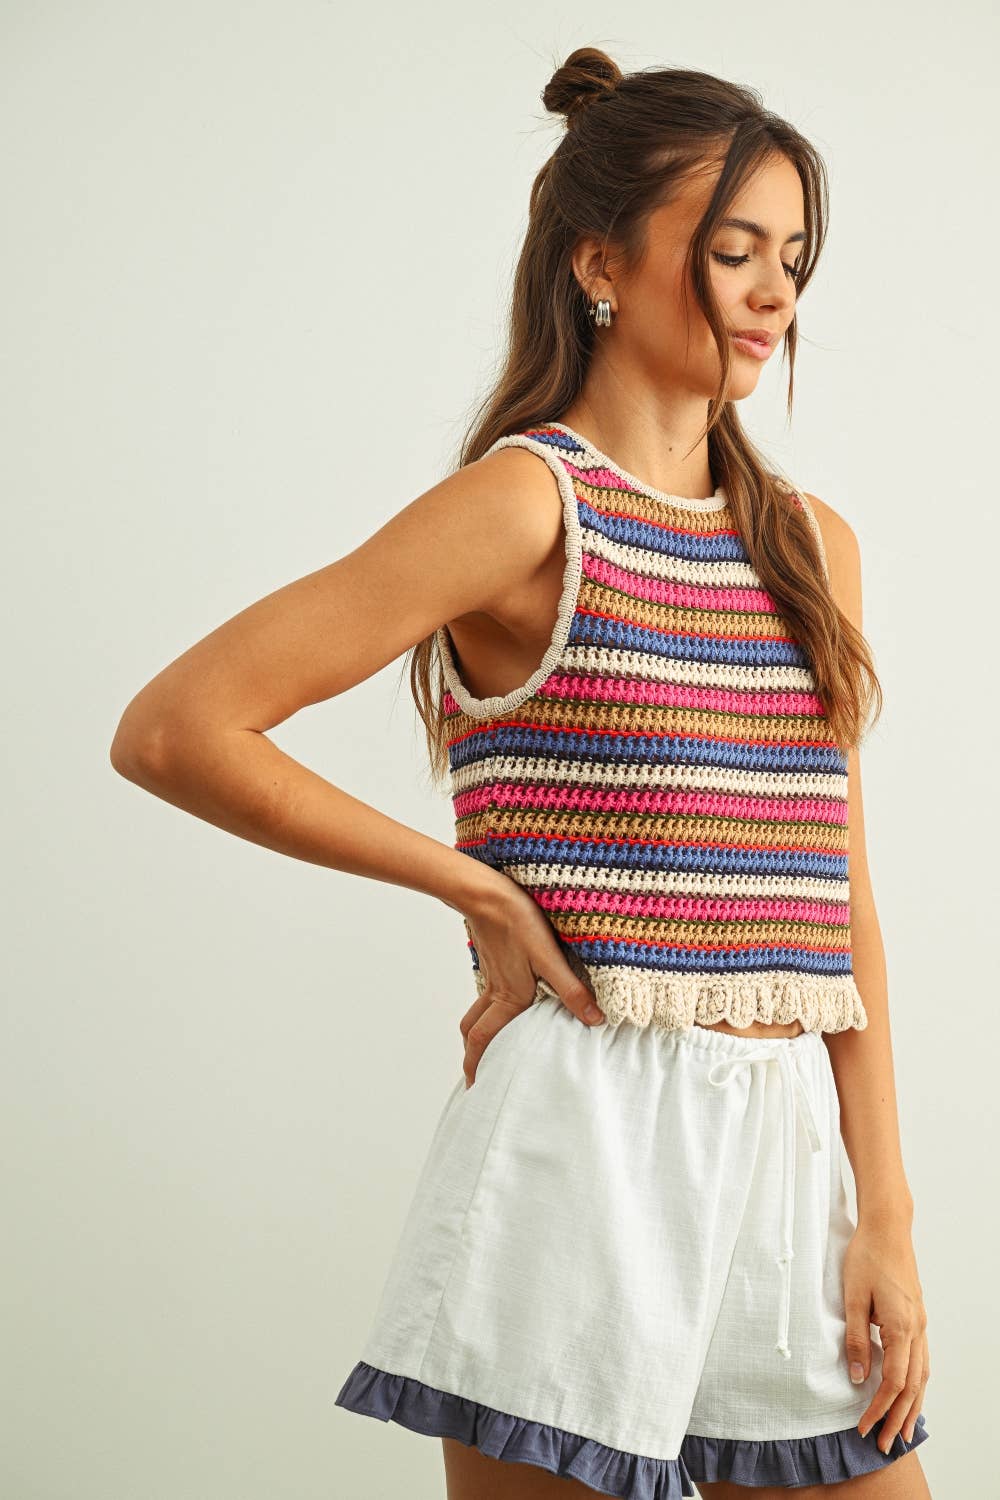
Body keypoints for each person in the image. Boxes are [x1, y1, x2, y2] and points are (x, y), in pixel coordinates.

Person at [109, 46, 932, 1500]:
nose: (774, 293)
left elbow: (839, 902)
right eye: (732, 250)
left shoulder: (815, 549)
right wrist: (476, 890)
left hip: (787, 1150)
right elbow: (180, 726)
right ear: (599, 264)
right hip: (584, 1142)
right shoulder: (528, 505)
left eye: (793, 257)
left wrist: (889, 1216)